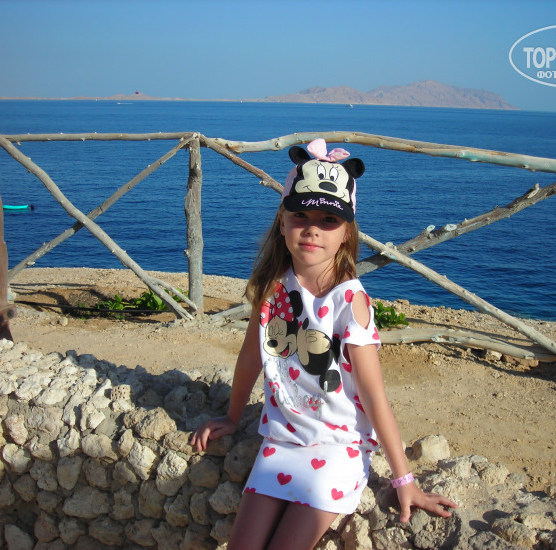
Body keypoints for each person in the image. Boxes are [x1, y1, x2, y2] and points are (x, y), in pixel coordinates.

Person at [190, 139, 457, 549]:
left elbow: (373, 394)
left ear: (347, 232)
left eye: (329, 219)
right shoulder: (273, 288)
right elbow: (251, 356)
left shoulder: (350, 301)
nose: (312, 228)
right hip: (282, 442)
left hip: (337, 449)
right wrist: (232, 415)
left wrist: (404, 479)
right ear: (282, 222)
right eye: (300, 214)